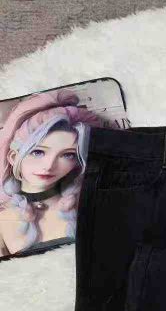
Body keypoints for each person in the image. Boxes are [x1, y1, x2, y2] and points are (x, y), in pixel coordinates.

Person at [0, 90, 102, 257]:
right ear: (13, 156)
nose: (49, 166)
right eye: (38, 152)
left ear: (77, 162)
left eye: (67, 155)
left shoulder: (91, 208)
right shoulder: (2, 222)